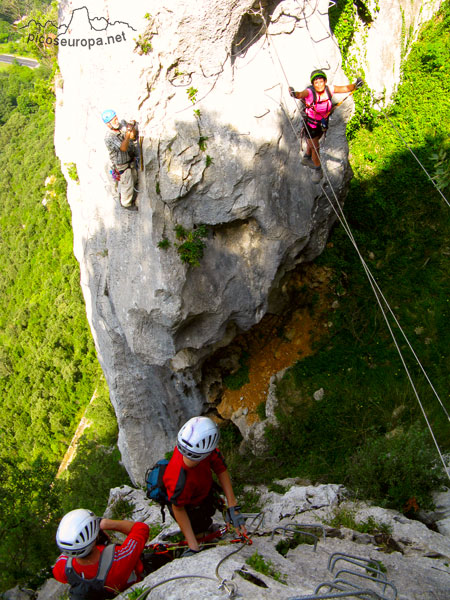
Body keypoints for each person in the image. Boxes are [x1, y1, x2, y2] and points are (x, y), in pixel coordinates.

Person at [163, 416, 247, 556]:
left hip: (203, 493)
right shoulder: (178, 479)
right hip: (189, 507)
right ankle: (198, 536)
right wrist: (193, 545)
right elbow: (178, 508)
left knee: (206, 520)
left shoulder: (202, 450)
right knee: (199, 533)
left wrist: (233, 505)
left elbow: (220, 468)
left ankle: (205, 530)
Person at [53, 508, 149, 599]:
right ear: (96, 535)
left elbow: (68, 556)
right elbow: (141, 528)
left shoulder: (61, 568)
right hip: (140, 579)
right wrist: (106, 523)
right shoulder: (119, 558)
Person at [289, 69, 364, 183]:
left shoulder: (329, 89)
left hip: (323, 122)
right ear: (313, 84)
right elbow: (300, 94)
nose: (319, 84)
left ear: (325, 81)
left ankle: (307, 158)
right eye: (316, 82)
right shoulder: (310, 93)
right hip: (311, 125)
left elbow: (344, 88)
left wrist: (355, 85)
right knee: (315, 147)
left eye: (321, 81)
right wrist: (294, 93)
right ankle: (318, 169)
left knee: (314, 143)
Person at [102, 109, 138, 209]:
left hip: (129, 158)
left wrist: (132, 128)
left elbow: (132, 137)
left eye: (116, 118)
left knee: (133, 178)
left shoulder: (121, 125)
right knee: (127, 183)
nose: (116, 121)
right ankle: (126, 204)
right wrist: (127, 133)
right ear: (108, 124)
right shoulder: (109, 137)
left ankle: (129, 194)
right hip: (122, 164)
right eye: (113, 120)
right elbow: (123, 148)